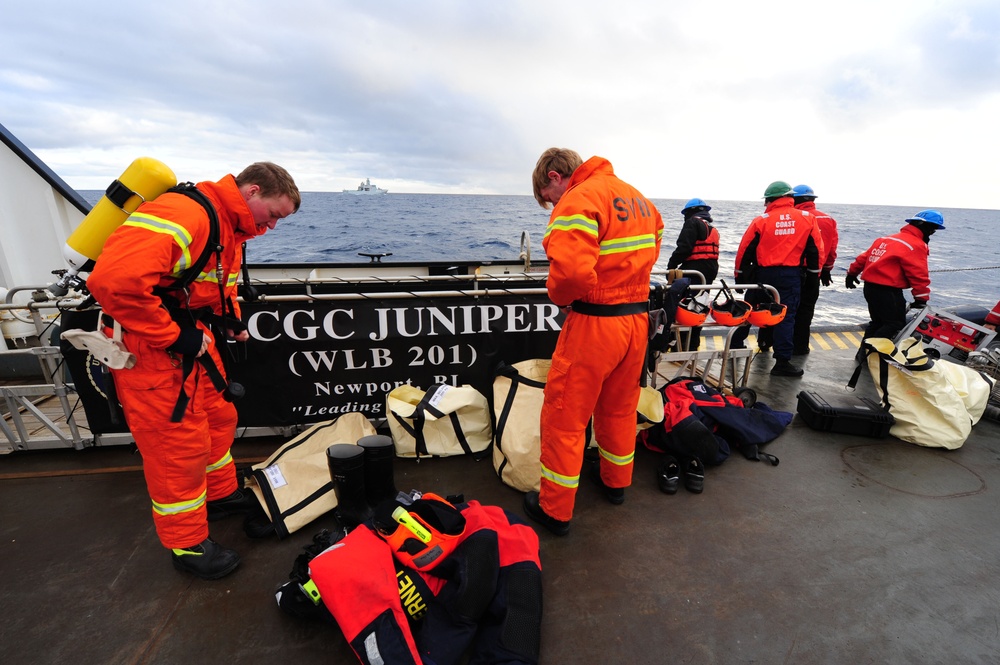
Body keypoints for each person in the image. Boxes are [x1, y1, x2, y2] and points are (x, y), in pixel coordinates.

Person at [88, 162, 300, 578]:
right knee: (176, 447)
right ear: (252, 191)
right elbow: (113, 282)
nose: (273, 226)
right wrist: (174, 337)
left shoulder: (230, 227)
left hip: (191, 340)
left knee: (219, 418)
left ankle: (219, 497)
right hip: (151, 346)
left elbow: (213, 285)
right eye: (273, 214)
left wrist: (230, 320)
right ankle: (186, 544)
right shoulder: (186, 214)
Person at [525, 148, 663, 535]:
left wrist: (563, 299)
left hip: (595, 325)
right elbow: (652, 246)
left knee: (564, 418)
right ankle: (616, 484)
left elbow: (568, 273)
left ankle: (554, 510)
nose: (552, 203)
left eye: (547, 196)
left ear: (555, 177)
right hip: (636, 323)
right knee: (620, 408)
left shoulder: (578, 199)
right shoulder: (637, 197)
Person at [732, 181, 824, 377]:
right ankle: (782, 362)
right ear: (789, 197)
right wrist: (814, 275)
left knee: (749, 309)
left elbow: (744, 250)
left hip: (762, 275)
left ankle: (734, 345)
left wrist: (739, 277)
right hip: (790, 276)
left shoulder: (761, 220)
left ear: (770, 199)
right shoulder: (807, 218)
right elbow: (815, 249)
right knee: (785, 316)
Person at [845, 210, 944, 345]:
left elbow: (863, 258)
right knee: (894, 324)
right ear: (923, 226)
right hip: (888, 291)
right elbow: (918, 274)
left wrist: (851, 274)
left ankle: (863, 355)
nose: (933, 232)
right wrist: (921, 298)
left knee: (877, 323)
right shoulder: (915, 245)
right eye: (933, 228)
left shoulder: (885, 240)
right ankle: (872, 354)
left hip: (870, 288)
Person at [791, 184, 839, 355]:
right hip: (815, 273)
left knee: (784, 307)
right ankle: (801, 346)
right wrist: (826, 269)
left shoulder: (794, 217)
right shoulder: (829, 219)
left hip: (793, 270)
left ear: (795, 199)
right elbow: (831, 249)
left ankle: (770, 342)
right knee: (806, 310)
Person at [666, 198, 719, 351]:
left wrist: (672, 266)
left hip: (694, 270)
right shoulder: (712, 227)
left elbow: (684, 248)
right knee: (699, 306)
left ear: (690, 211)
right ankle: (692, 345)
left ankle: (679, 345)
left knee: (684, 306)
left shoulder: (692, 223)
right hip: (709, 271)